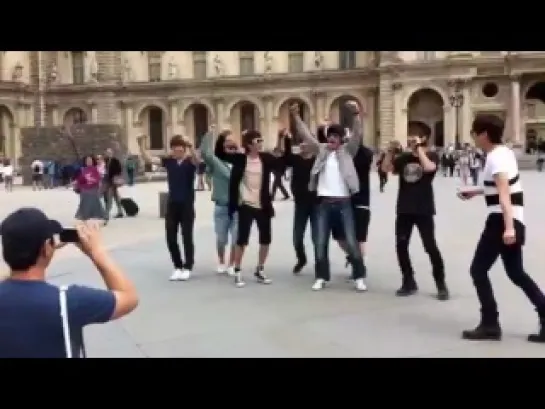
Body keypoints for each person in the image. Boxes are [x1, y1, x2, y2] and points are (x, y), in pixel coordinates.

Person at [0, 211, 139, 358]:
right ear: (46, 248)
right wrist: (97, 252)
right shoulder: (68, 300)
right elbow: (129, 298)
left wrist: (44, 250)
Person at [458, 115, 545, 342]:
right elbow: (502, 189)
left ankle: (490, 323)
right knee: (516, 273)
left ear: (484, 134)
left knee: (478, 270)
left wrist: (508, 228)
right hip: (512, 218)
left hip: (501, 221)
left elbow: (504, 195)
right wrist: (476, 191)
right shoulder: (503, 153)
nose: (474, 138)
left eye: (474, 133)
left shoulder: (496, 159)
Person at [291, 101, 367, 292]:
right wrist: (296, 117)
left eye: (335, 136)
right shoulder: (321, 151)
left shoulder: (348, 152)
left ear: (341, 139)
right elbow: (306, 136)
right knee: (321, 242)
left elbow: (357, 135)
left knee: (351, 241)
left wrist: (356, 115)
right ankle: (321, 277)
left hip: (344, 203)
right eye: (330, 136)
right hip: (324, 204)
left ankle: (359, 276)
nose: (332, 139)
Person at [381, 123, 449, 300]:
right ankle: (408, 280)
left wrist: (418, 149)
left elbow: (429, 168)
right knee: (401, 246)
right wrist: (390, 152)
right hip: (404, 208)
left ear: (424, 138)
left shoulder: (431, 155)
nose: (411, 138)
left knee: (430, 246)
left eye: (416, 135)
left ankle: (441, 283)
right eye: (410, 135)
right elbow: (385, 169)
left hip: (424, 208)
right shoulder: (403, 158)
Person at [215, 129, 283, 288]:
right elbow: (219, 154)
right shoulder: (240, 159)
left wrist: (282, 138)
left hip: (263, 205)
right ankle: (237, 269)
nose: (260, 143)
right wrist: (222, 137)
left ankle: (260, 269)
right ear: (249, 144)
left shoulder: (265, 158)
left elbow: (282, 159)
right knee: (242, 240)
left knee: (265, 239)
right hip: (246, 204)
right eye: (257, 141)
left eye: (261, 140)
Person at [138, 134, 198, 281]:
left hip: (187, 205)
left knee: (187, 237)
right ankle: (177, 266)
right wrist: (141, 144)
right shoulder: (169, 162)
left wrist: (191, 146)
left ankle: (188, 266)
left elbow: (198, 161)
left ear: (184, 150)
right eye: (174, 150)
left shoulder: (190, 163)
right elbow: (149, 159)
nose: (177, 152)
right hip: (172, 205)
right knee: (170, 236)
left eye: (180, 150)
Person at [331, 131, 374, 270]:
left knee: (359, 237)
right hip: (343, 199)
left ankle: (360, 266)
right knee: (339, 235)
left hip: (361, 200)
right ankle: (354, 257)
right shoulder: (342, 153)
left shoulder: (365, 153)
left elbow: (365, 158)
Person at [200, 126, 239, 276]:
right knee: (221, 238)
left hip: (237, 206)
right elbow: (205, 152)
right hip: (221, 206)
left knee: (236, 238)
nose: (231, 148)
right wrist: (210, 133)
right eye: (228, 145)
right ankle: (222, 261)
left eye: (233, 145)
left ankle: (232, 263)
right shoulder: (217, 162)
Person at [281, 130, 317, 274]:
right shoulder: (295, 159)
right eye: (301, 142)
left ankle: (320, 262)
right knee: (297, 237)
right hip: (300, 204)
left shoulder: (317, 160)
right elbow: (286, 157)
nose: (302, 145)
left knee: (318, 237)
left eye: (306, 142)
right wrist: (287, 140)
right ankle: (301, 259)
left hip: (316, 203)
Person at [74, 155, 106, 223]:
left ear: (92, 161)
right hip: (85, 187)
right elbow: (80, 179)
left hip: (93, 187)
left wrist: (93, 181)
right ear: (85, 162)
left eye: (90, 160)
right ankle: (84, 216)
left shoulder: (96, 169)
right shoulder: (83, 170)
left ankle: (100, 216)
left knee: (95, 200)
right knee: (84, 199)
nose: (89, 162)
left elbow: (98, 178)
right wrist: (76, 184)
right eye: (87, 161)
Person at [103, 148, 124, 220]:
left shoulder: (115, 160)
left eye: (110, 152)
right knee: (116, 197)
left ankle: (106, 214)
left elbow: (119, 169)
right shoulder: (106, 160)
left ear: (112, 153)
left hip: (113, 181)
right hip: (109, 181)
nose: (108, 153)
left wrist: (114, 175)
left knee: (109, 197)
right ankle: (120, 211)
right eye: (107, 152)